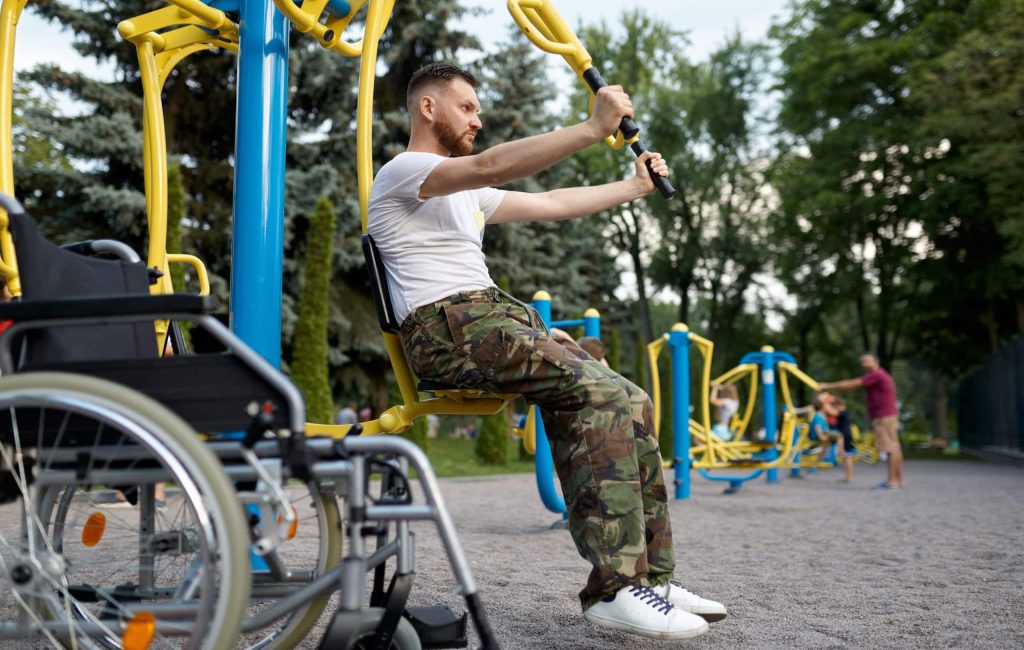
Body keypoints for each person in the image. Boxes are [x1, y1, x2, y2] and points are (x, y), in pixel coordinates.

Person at [368, 63, 725, 640]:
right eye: (467, 108)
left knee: (630, 399)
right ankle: (612, 589)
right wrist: (592, 128)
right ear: (427, 108)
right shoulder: (406, 171)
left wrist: (634, 187)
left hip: (489, 317)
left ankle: (651, 580)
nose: (477, 119)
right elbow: (488, 164)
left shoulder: (469, 195)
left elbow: (554, 200)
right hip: (448, 327)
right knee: (601, 392)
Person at [820, 353, 904, 488]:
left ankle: (892, 481)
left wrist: (827, 386)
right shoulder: (878, 375)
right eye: (862, 361)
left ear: (876, 361)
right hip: (887, 415)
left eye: (867, 360)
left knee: (890, 448)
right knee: (894, 447)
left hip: (883, 416)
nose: (864, 363)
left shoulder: (877, 375)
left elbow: (852, 384)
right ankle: (897, 479)